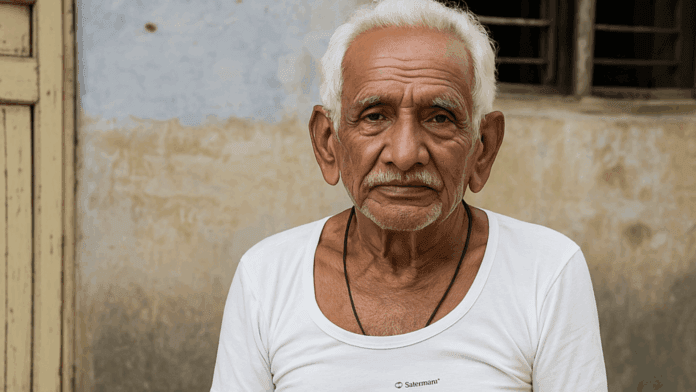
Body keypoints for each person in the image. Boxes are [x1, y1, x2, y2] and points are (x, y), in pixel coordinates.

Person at [210, 0, 608, 390]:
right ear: (328, 143)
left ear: (482, 148)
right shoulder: (266, 276)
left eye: (440, 117)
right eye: (374, 115)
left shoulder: (546, 271)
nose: (404, 154)